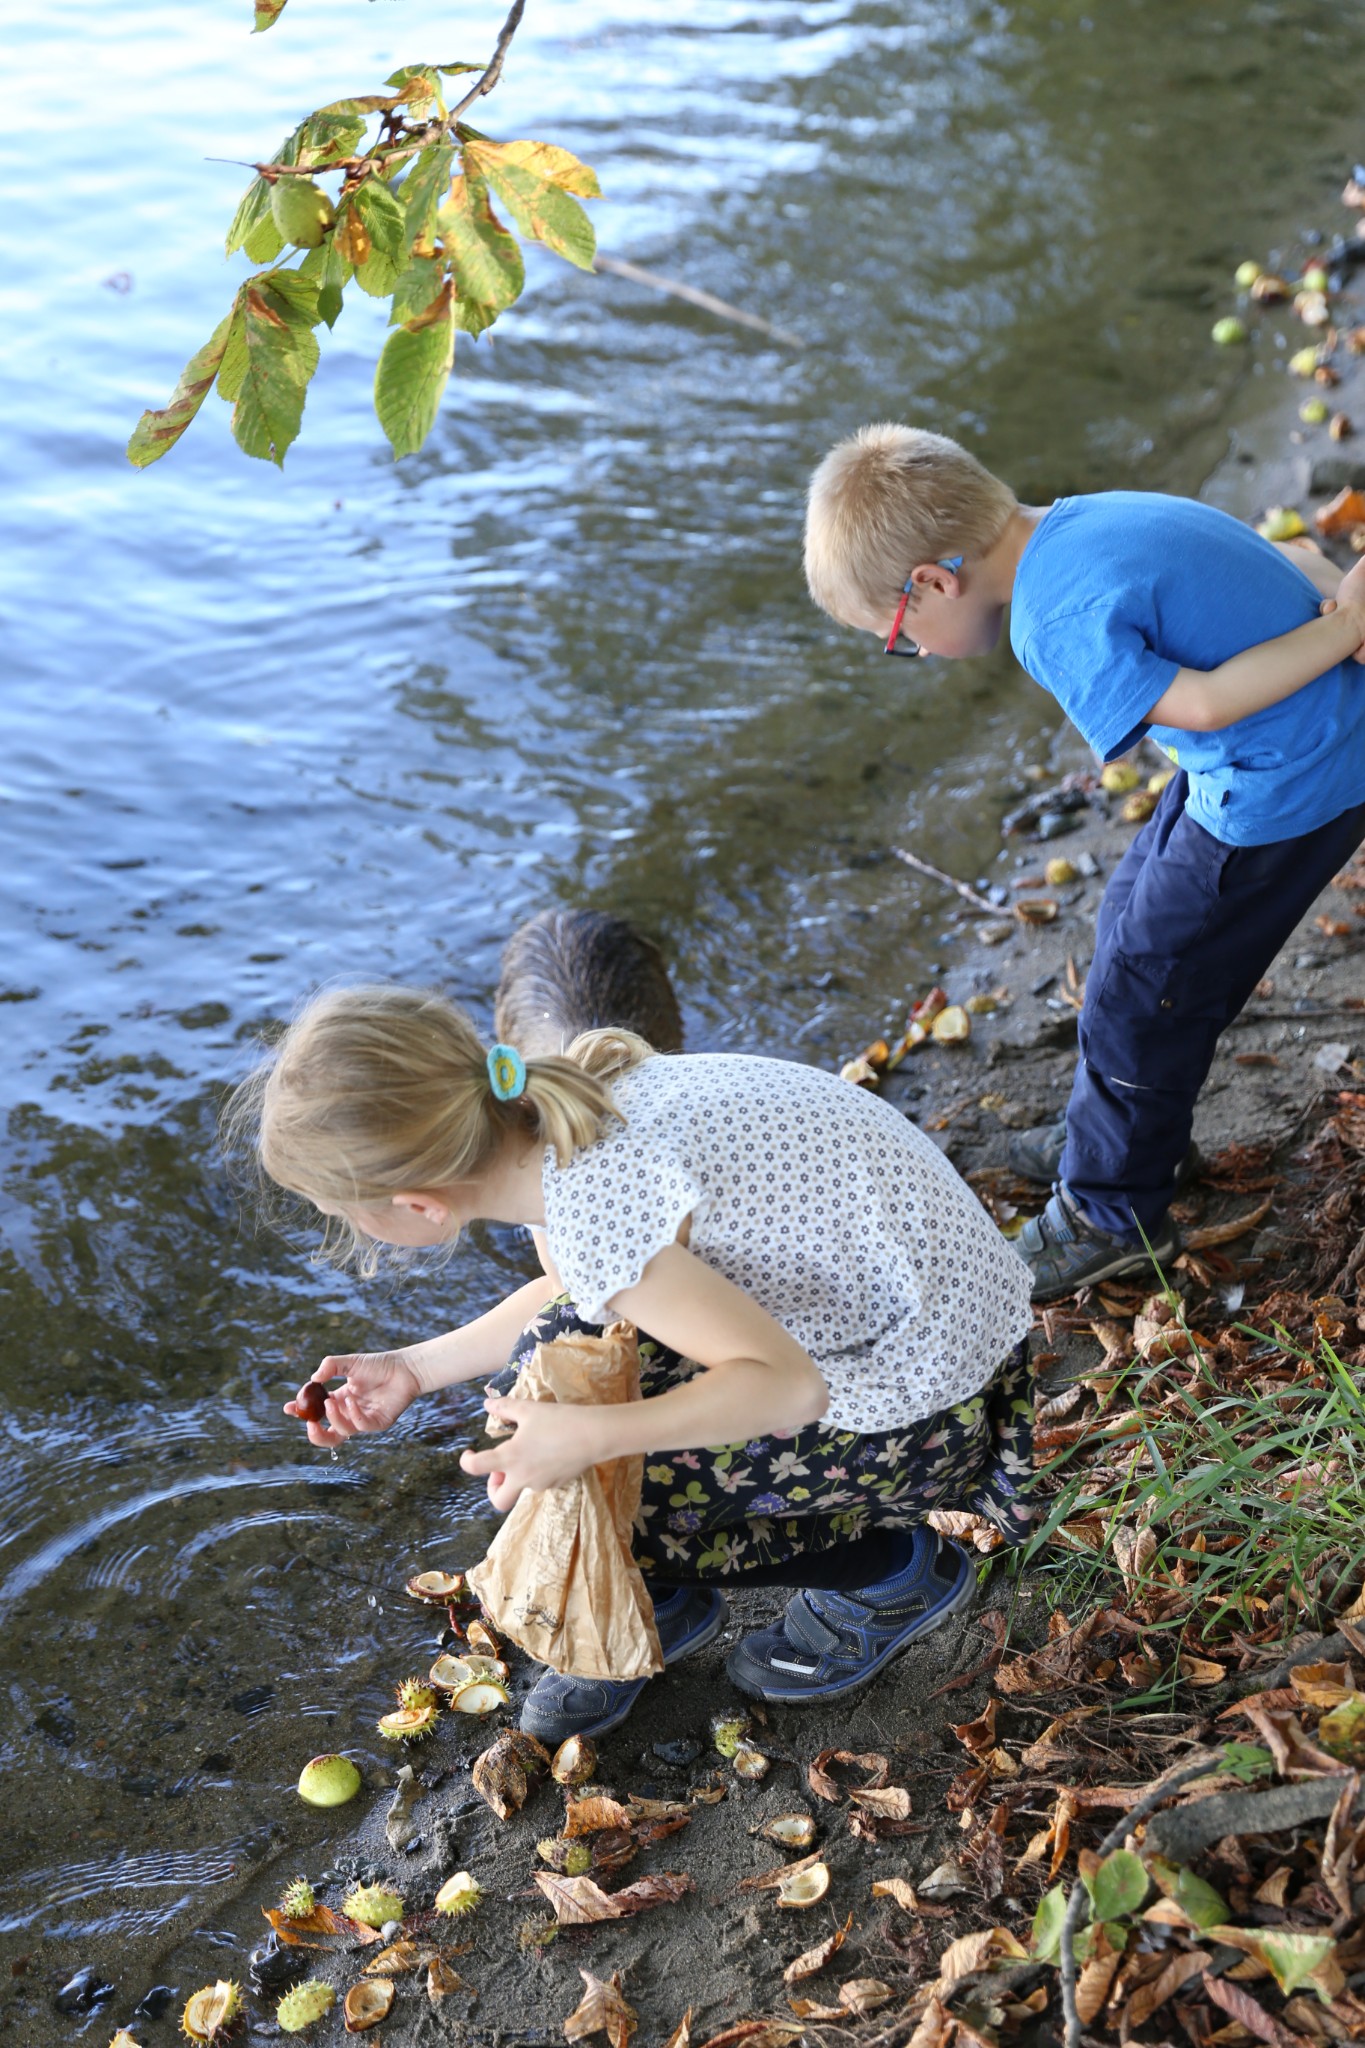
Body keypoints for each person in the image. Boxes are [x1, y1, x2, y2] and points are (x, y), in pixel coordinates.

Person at [226, 981, 1032, 1741]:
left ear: (418, 1206)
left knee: (586, 1464)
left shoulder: (594, 1205)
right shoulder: (562, 1109)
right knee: (553, 1372)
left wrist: (595, 1440)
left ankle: (893, 1577)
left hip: (928, 1383)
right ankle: (665, 1597)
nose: (354, 1234)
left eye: (345, 1217)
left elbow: (789, 1388)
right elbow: (571, 1288)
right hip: (914, 1303)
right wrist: (412, 1367)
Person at [804, 423, 1365, 1298]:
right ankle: (1129, 1134)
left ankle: (1112, 1210)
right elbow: (1277, 553)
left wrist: (1350, 625)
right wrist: (1333, 600)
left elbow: (1208, 703)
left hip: (1287, 776)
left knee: (1147, 988)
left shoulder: (1047, 619)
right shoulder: (1082, 517)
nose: (914, 653)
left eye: (898, 637)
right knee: (1130, 927)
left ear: (932, 582)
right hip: (1293, 744)